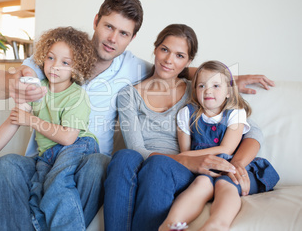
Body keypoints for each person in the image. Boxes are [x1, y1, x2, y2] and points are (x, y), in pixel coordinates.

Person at [0, 0, 275, 228]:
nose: (113, 38)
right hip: (42, 155)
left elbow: (174, 69)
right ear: (96, 21)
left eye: (123, 33)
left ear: (132, 38)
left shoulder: (134, 67)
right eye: (108, 26)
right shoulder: (61, 56)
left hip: (89, 159)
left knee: (101, 164)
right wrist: (16, 81)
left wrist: (227, 78)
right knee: (4, 165)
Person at [103, 24, 273, 231]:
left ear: (188, 61)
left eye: (179, 55)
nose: (168, 60)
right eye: (164, 50)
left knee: (159, 165)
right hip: (157, 160)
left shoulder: (199, 90)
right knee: (123, 157)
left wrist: (235, 164)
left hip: (182, 171)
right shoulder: (128, 95)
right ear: (155, 49)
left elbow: (251, 130)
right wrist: (184, 158)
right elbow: (137, 149)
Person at [0, 27, 100, 230]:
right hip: (48, 155)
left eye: (65, 63)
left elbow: (68, 137)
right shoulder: (36, 88)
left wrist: (31, 120)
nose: (54, 67)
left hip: (78, 146)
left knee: (58, 185)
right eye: (51, 58)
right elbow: (13, 121)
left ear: (77, 68)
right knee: (36, 190)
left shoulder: (77, 95)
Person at [158, 60, 279, 231]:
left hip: (232, 168)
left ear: (229, 91)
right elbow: (184, 152)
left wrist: (183, 158)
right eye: (201, 86)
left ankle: (216, 225)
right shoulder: (187, 113)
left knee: (225, 183)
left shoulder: (235, 113)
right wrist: (184, 158)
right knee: (200, 183)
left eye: (216, 85)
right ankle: (171, 224)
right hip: (204, 169)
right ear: (195, 90)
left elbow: (226, 150)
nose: (207, 90)